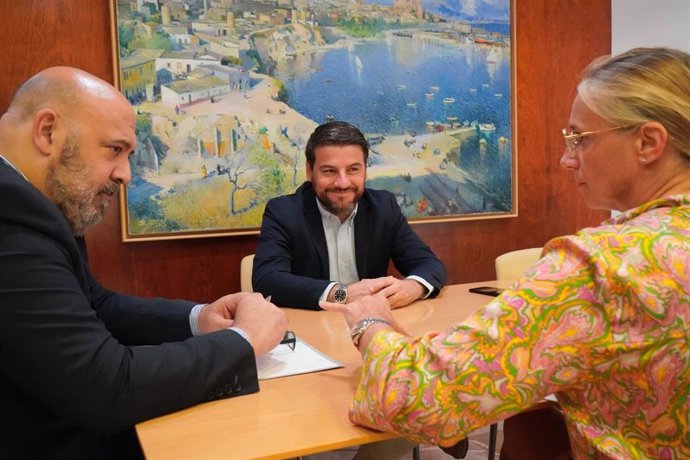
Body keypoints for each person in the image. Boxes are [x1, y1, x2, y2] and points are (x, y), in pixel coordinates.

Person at [321, 47, 690, 458]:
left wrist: (368, 323)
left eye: (579, 139)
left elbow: (418, 398)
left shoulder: (601, 267)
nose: (566, 160)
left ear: (648, 142)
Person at [0, 67, 288, 458]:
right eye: (115, 150)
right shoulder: (11, 215)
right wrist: (243, 341)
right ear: (48, 132)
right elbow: (104, 388)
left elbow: (95, 304)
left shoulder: (36, 203)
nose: (126, 175)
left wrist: (199, 318)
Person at [252, 121, 447, 310]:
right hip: (312, 329)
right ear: (310, 171)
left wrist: (412, 287)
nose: (343, 183)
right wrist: (341, 294)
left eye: (353, 169)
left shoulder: (383, 208)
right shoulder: (284, 212)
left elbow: (429, 264)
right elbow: (267, 280)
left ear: (365, 171)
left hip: (372, 326)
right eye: (329, 171)